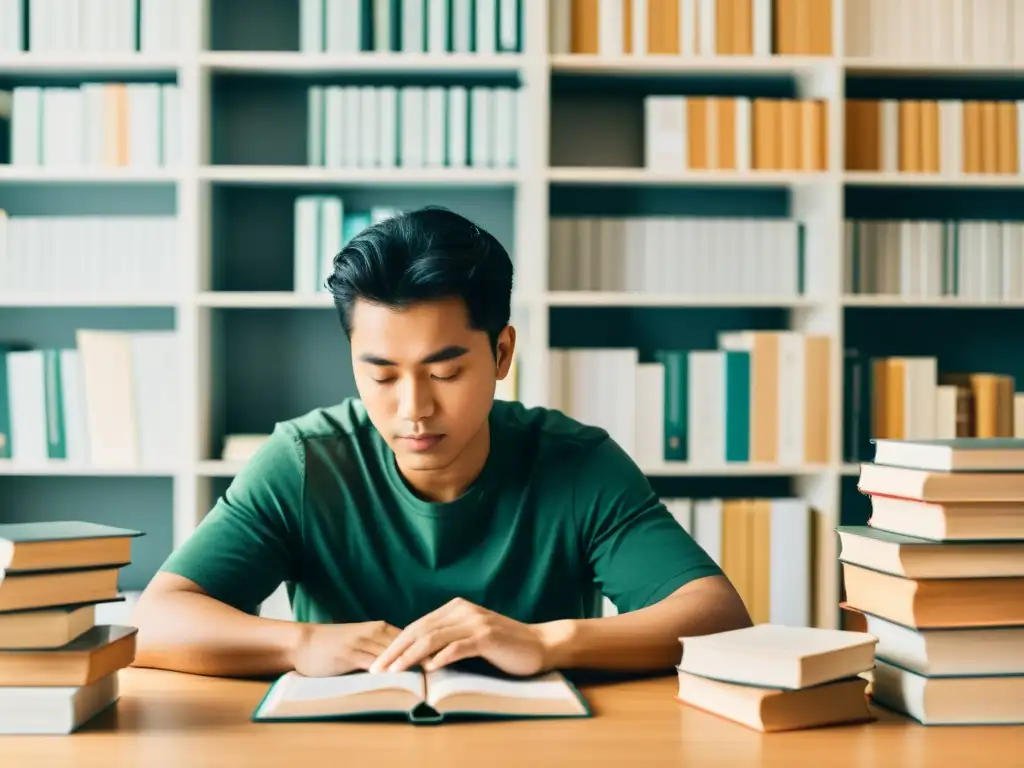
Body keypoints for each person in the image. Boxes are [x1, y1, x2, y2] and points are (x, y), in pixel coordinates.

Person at [131, 207, 752, 680]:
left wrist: (546, 642)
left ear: (502, 353)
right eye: (380, 375)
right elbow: (156, 618)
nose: (413, 409)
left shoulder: (576, 463)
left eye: (446, 372)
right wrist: (298, 643)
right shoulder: (303, 461)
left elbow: (716, 615)